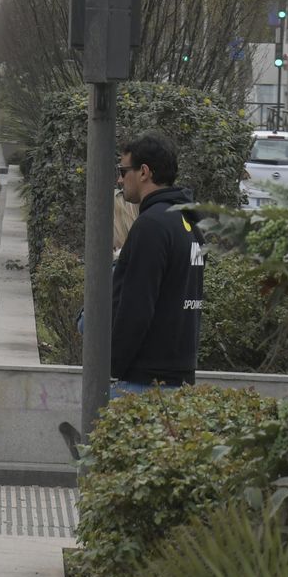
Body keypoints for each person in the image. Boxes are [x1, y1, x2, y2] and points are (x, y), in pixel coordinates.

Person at [109, 131, 204, 398]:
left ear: (144, 172)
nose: (119, 179)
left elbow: (137, 306)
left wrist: (113, 365)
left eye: (123, 170)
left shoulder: (151, 226)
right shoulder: (188, 224)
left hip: (143, 381)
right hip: (179, 376)